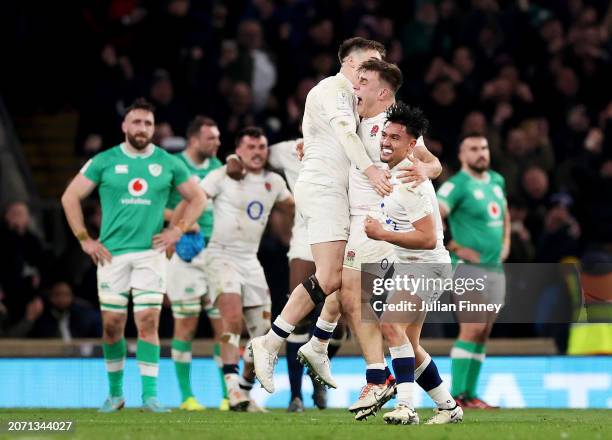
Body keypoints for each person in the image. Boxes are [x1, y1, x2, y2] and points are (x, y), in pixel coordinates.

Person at [292, 59, 442, 419]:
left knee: (350, 292)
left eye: (363, 81)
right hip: (364, 220)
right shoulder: (357, 120)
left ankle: (373, 376)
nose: (354, 86)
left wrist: (426, 169)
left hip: (378, 221)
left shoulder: (393, 126)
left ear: (382, 91)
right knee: (405, 337)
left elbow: (432, 163)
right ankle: (446, 404)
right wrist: (310, 146)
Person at [251, 36, 391, 394]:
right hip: (324, 189)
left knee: (345, 279)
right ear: (348, 62)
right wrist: (370, 170)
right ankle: (270, 343)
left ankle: (317, 344)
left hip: (344, 196)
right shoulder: (330, 89)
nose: (374, 71)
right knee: (329, 276)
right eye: (369, 63)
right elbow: (345, 133)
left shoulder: (359, 98)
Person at [61, 98, 207, 413]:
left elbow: (198, 198)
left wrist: (176, 231)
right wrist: (85, 239)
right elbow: (70, 196)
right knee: (112, 324)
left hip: (150, 254)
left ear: (154, 129)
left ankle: (150, 396)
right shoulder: (104, 160)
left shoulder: (168, 162)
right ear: (125, 126)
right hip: (111, 256)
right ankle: (115, 395)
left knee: (148, 321)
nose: (143, 129)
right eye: (137, 122)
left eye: (148, 124)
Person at [180, 126, 294, 410]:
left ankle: (244, 390)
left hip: (250, 260)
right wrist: (180, 228)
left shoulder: (274, 182)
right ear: (239, 151)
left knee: (264, 333)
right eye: (251, 147)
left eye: (262, 147)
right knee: (231, 321)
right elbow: (196, 198)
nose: (257, 152)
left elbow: (296, 207)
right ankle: (232, 390)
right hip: (221, 256)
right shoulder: (221, 176)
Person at [363, 102, 463, 424]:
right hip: (411, 265)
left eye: (395, 138)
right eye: (385, 135)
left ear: (411, 145)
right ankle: (448, 407)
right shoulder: (395, 174)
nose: (386, 142)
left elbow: (427, 237)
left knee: (390, 326)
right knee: (410, 343)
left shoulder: (411, 180)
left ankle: (406, 406)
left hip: (427, 265)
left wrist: (381, 234)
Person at [267, 138, 343, 412]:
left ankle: (317, 367)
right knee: (298, 320)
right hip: (304, 242)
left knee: (339, 325)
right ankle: (296, 397)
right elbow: (259, 155)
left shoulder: (346, 142)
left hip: (339, 240)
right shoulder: (286, 149)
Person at [437, 132, 510, 409]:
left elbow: (504, 213)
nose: (481, 153)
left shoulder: (497, 180)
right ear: (462, 155)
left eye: (484, 147)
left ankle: (469, 394)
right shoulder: (456, 186)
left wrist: (506, 243)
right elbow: (434, 216)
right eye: (474, 149)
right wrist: (454, 245)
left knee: (484, 332)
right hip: (467, 269)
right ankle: (455, 395)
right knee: (472, 328)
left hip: (495, 267)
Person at [164, 116, 226, 411]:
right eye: (211, 138)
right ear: (193, 140)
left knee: (223, 325)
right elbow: (157, 207)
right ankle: (187, 397)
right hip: (185, 254)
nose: (217, 142)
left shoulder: (218, 168)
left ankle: (230, 395)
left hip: (215, 253)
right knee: (185, 326)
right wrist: (183, 224)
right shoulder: (172, 166)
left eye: (217, 137)